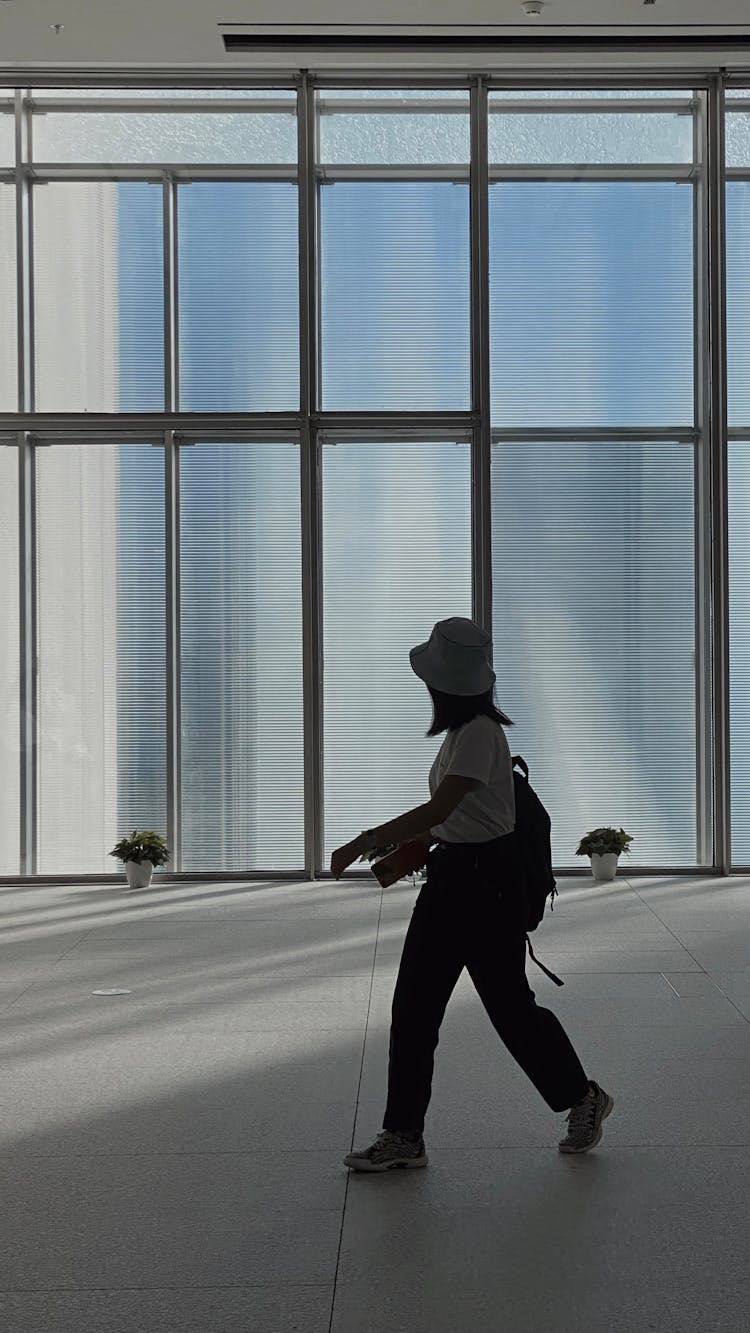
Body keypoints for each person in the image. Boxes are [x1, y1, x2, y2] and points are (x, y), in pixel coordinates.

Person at [330, 617, 613, 1173]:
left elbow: (441, 809)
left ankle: (583, 1098)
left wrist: (368, 839)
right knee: (414, 1010)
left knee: (510, 1010)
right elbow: (453, 820)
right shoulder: (461, 735)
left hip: (489, 889)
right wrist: (410, 851)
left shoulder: (480, 731)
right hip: (452, 879)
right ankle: (404, 1134)